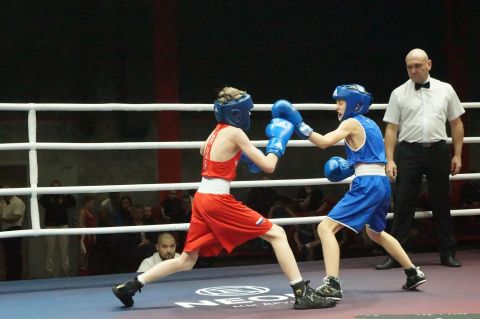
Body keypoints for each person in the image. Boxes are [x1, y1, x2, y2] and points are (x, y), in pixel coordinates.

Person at [112, 86, 335, 310]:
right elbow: (269, 166)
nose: (249, 115)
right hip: (217, 201)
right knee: (276, 234)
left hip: (201, 199)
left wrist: (240, 156)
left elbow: (203, 151)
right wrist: (278, 142)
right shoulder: (236, 133)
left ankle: (130, 286)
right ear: (236, 113)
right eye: (246, 111)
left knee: (186, 261)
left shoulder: (215, 132)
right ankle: (301, 293)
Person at [272, 84, 426, 302]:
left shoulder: (351, 122)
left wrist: (299, 124)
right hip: (381, 183)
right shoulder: (370, 123)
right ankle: (413, 272)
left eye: (341, 102)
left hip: (367, 184)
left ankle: (332, 284)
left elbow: (324, 142)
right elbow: (370, 156)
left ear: (354, 104)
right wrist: (349, 166)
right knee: (375, 233)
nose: (337, 107)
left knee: (325, 227)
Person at [376, 48, 465, 270]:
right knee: (404, 204)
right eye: (409, 67)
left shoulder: (446, 90)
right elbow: (391, 129)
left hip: (438, 150)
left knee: (441, 202)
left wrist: (457, 154)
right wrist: (390, 159)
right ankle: (397, 256)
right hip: (408, 152)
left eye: (418, 65)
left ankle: (447, 253)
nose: (413, 70)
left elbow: (456, 123)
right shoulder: (398, 93)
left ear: (429, 64)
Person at [39, 179, 77, 277]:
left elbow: (73, 201)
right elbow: (41, 201)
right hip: (50, 225)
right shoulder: (47, 196)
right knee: (50, 250)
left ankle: (66, 270)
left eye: (58, 187)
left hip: (63, 224)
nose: (56, 189)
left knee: (64, 249)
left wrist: (64, 193)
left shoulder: (64, 197)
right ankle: (50, 272)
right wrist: (51, 196)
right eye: (54, 187)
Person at [0, 191, 26, 280]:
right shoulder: (2, 202)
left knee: (14, 255)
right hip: (4, 229)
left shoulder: (18, 202)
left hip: (14, 229)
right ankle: (9, 277)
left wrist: (2, 218)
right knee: (7, 255)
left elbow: (15, 219)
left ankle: (16, 278)